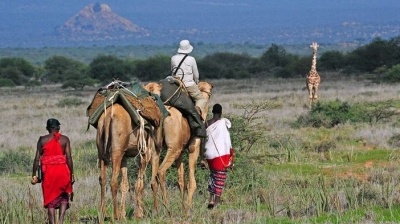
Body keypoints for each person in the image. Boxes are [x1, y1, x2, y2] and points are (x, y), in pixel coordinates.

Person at [31, 118, 74, 224]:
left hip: (49, 173)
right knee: (64, 196)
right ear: (58, 128)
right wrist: (72, 173)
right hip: (63, 171)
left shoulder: (42, 140)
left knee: (50, 199)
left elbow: (37, 159)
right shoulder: (65, 139)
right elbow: (69, 158)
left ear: (47, 128)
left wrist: (33, 175)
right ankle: (60, 221)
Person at [205, 104, 234, 209]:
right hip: (220, 156)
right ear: (221, 113)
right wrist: (231, 158)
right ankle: (216, 204)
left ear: (212, 112)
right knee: (220, 179)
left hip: (209, 155)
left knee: (213, 176)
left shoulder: (207, 123)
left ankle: (210, 199)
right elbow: (227, 142)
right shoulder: (223, 123)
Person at [171, 39, 207, 117]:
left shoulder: (173, 58)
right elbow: (196, 75)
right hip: (188, 84)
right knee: (201, 99)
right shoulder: (191, 59)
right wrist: (196, 82)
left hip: (175, 84)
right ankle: (197, 111)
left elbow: (172, 71)